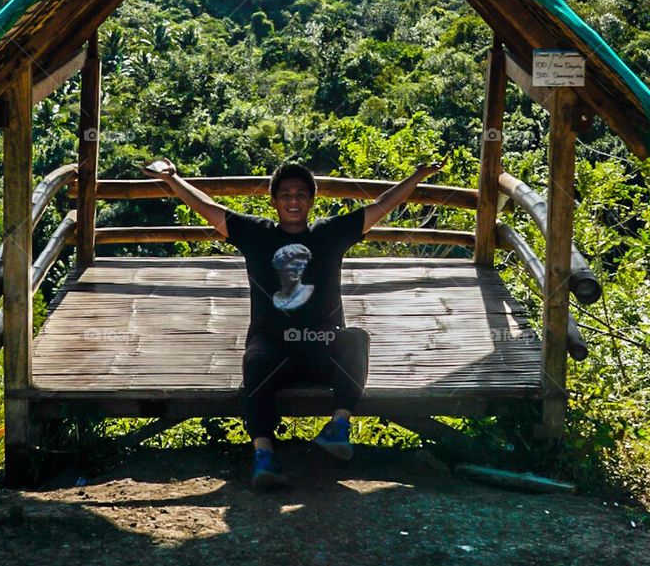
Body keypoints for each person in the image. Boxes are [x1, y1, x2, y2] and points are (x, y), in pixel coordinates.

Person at [147, 157, 447, 489]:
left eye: (301, 194)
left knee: (355, 340)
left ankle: (339, 427)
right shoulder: (256, 234)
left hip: (321, 349)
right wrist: (173, 179)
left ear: (311, 200)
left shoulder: (329, 234)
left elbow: (381, 205)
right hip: (274, 352)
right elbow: (209, 208)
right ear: (273, 201)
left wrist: (417, 176)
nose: (293, 201)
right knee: (254, 359)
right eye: (286, 195)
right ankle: (264, 455)